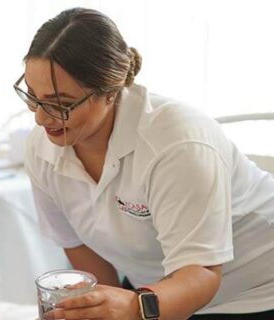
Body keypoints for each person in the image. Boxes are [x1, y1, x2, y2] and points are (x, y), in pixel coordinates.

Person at [15, 7, 274, 320]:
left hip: (252, 291)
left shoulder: (176, 144)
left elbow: (201, 272)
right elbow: (78, 244)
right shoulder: (43, 146)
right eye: (32, 96)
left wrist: (134, 308)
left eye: (61, 105)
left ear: (109, 93)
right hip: (155, 289)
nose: (41, 117)